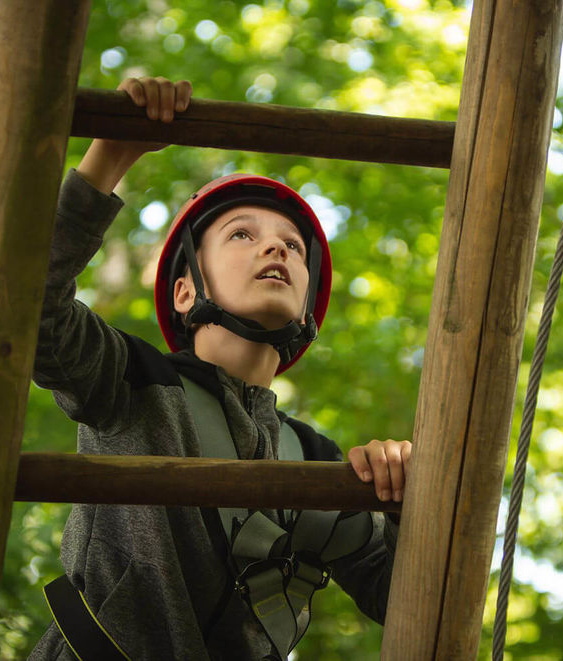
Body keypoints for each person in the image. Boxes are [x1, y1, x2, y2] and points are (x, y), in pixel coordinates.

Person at [28, 76, 411, 661]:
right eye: (242, 234)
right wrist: (111, 154)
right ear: (186, 292)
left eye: (294, 247)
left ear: (307, 310)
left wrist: (407, 500)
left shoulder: (316, 460)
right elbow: (28, 306)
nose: (276, 249)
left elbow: (400, 596)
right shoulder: (132, 383)